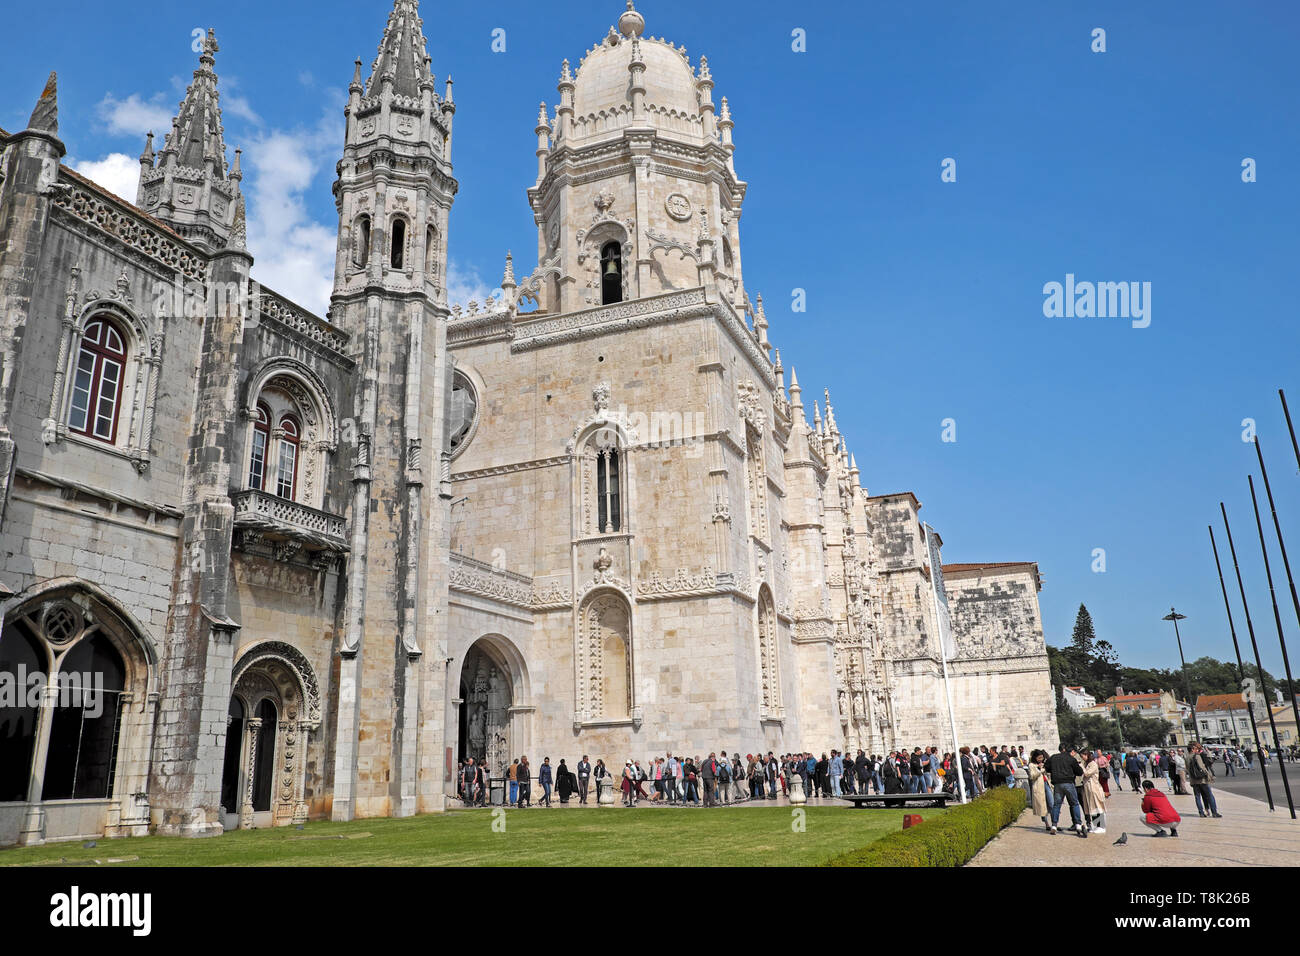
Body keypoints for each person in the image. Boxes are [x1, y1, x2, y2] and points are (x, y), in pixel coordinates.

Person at [1046, 743, 1086, 837]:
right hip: (1069, 782)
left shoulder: (1053, 757)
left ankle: (1054, 825)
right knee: (1074, 803)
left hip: (1057, 784)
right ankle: (1078, 824)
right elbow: (1079, 772)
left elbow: (1047, 768)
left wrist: (1055, 771)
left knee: (1057, 805)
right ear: (1070, 751)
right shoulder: (1071, 759)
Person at [1189, 742, 1223, 819]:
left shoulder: (1186, 757)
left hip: (1193, 780)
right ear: (1193, 749)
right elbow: (1202, 767)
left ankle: (1201, 812)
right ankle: (1214, 812)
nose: (1197, 750)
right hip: (1201, 779)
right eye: (1196, 749)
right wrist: (1208, 776)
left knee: (1197, 797)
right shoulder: (1197, 756)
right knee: (1210, 795)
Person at [1081, 750, 1107, 834]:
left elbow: (1087, 773)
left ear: (1087, 755)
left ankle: (1101, 826)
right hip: (1088, 789)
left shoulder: (1093, 764)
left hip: (1094, 788)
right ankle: (1096, 826)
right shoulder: (1087, 764)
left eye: (1083, 756)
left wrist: (1081, 767)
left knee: (1097, 807)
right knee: (1092, 808)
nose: (1082, 758)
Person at [1027, 749, 1052, 830]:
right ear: (1035, 758)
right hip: (1038, 786)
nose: (1041, 759)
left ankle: (1054, 823)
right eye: (1039, 758)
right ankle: (1047, 824)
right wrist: (1040, 770)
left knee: (1052, 803)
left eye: (1042, 757)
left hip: (1046, 784)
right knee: (1042, 806)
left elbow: (1047, 773)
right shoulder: (1031, 765)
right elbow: (1032, 776)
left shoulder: (1043, 763)